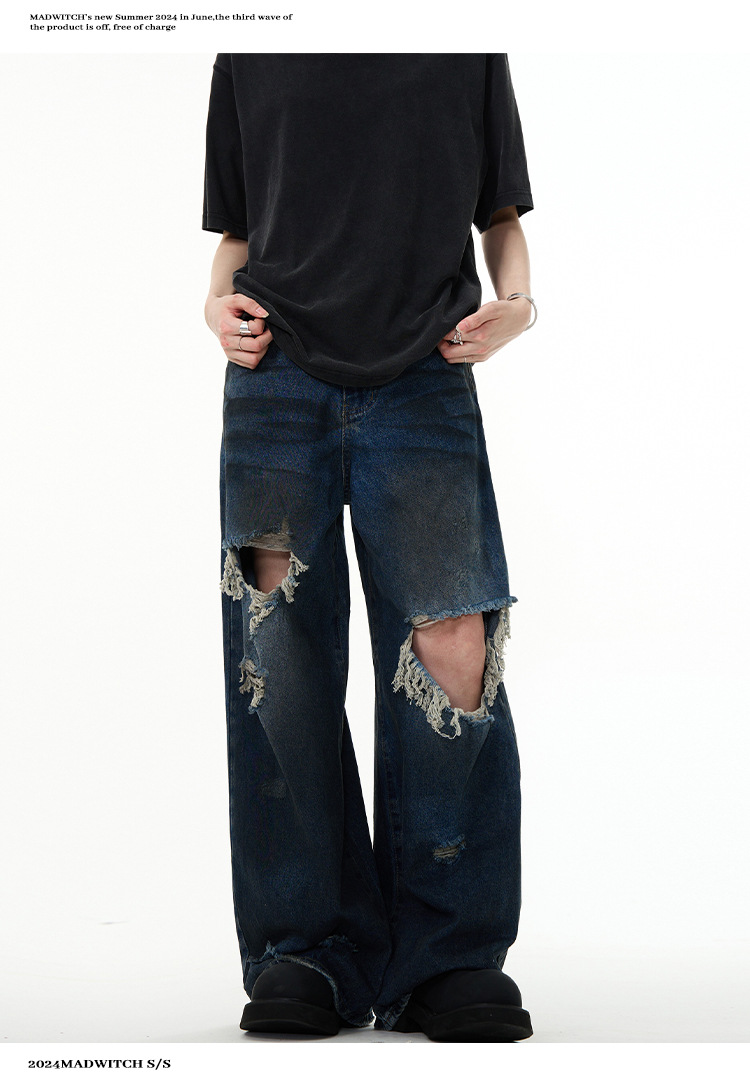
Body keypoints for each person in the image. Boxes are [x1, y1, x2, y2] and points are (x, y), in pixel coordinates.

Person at [202, 53, 536, 1043]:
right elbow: (237, 230)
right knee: (279, 662)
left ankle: (450, 953)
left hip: (427, 373)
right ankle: (305, 945)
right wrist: (215, 302)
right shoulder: (250, 45)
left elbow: (501, 215)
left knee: (455, 649)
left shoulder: (463, 42)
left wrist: (520, 304)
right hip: (276, 380)